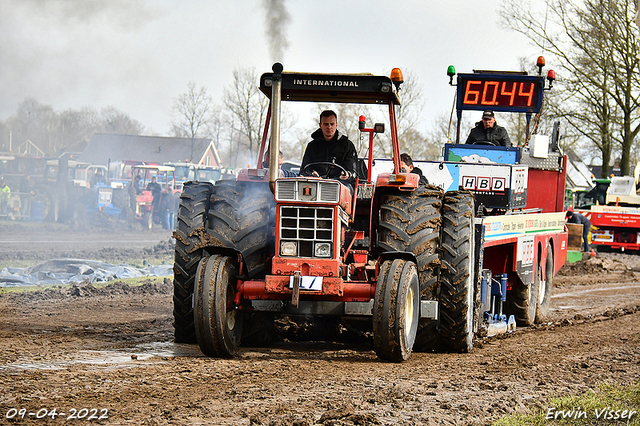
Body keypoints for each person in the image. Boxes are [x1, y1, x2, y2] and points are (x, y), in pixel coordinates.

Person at [300, 110, 357, 191]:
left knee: (344, 190)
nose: (329, 127)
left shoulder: (347, 145)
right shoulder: (312, 146)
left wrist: (347, 175)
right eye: (326, 124)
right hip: (316, 184)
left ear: (336, 125)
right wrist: (311, 174)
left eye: (332, 124)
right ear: (320, 125)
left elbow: (353, 172)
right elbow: (304, 170)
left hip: (341, 183)